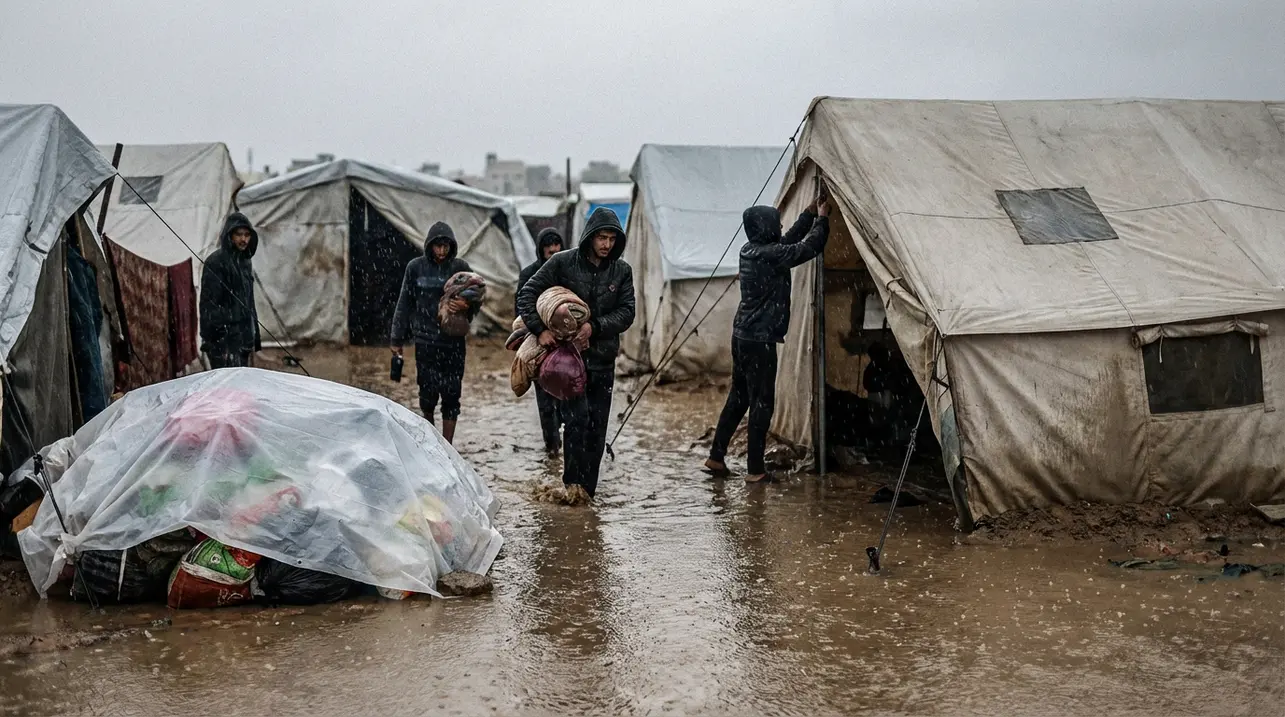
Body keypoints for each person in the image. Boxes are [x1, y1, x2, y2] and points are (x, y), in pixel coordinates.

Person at [705, 193, 830, 482]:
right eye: (776, 222)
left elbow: (787, 242)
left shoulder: (751, 250)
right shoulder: (771, 255)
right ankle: (755, 471)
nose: (780, 224)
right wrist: (823, 219)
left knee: (739, 397)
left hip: (742, 335)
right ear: (765, 227)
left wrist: (808, 214)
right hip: (760, 339)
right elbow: (808, 247)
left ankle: (716, 456)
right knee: (762, 403)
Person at [517, 208, 635, 497]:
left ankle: (588, 493)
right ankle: (571, 486)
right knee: (576, 420)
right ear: (589, 238)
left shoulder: (621, 271)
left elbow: (627, 312)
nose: (606, 244)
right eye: (601, 238)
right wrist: (540, 330)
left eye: (611, 239)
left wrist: (595, 327)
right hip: (568, 361)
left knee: (597, 427)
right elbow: (526, 295)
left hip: (603, 360)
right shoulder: (563, 263)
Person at [391, 221, 473, 444]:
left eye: (446, 246)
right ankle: (432, 441)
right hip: (426, 342)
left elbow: (477, 296)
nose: (442, 251)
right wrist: (396, 338)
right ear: (430, 246)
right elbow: (404, 303)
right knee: (427, 395)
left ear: (452, 246)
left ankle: (447, 447)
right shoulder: (415, 268)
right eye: (438, 246)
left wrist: (467, 306)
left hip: (454, 342)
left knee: (452, 394)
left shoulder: (460, 268)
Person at [517, 228, 567, 456]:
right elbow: (521, 306)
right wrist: (538, 330)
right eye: (549, 249)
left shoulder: (567, 270)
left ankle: (565, 440)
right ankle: (552, 448)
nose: (553, 252)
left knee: (567, 393)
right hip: (539, 341)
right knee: (545, 398)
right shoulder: (530, 274)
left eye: (557, 248)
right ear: (541, 250)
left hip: (566, 342)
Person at [200, 212, 261, 369]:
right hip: (223, 341)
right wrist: (217, 339)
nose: (243, 239)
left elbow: (249, 300)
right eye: (239, 234)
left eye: (247, 235)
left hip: (243, 338)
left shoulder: (245, 262)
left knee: (242, 387)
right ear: (229, 235)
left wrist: (253, 335)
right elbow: (210, 304)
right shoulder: (216, 262)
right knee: (225, 389)